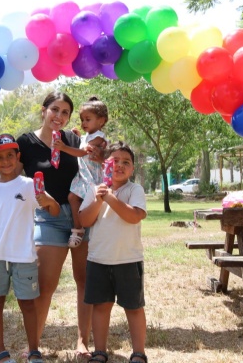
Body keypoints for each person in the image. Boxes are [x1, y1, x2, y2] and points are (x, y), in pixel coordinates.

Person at [0, 92, 101, 357]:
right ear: (43, 110)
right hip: (48, 217)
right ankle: (35, 344)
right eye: (55, 109)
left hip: (80, 214)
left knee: (84, 280)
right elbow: (8, 171)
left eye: (66, 112)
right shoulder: (26, 142)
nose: (59, 116)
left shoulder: (73, 139)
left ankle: (82, 342)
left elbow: (90, 167)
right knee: (44, 285)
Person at [0, 133, 60, 363]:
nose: (6, 161)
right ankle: (1, 353)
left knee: (27, 304)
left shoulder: (30, 185)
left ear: (18, 156)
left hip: (23, 256)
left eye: (10, 155)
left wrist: (49, 202)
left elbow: (55, 210)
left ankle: (34, 351)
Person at [79, 142, 148, 363]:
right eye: (114, 161)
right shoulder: (94, 189)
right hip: (98, 259)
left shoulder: (134, 190)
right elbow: (85, 220)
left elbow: (134, 216)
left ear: (132, 169)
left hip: (128, 259)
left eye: (125, 162)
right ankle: (100, 351)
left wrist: (110, 197)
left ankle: (139, 353)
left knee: (134, 307)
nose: (119, 165)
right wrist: (99, 199)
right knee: (100, 307)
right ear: (106, 165)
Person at [52, 96, 109, 248]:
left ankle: (82, 228)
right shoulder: (89, 136)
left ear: (101, 121)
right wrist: (78, 136)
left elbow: (82, 152)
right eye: (82, 119)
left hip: (92, 176)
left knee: (85, 201)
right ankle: (78, 228)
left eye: (87, 119)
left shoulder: (99, 138)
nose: (83, 123)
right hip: (83, 175)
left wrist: (63, 147)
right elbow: (83, 144)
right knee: (72, 197)